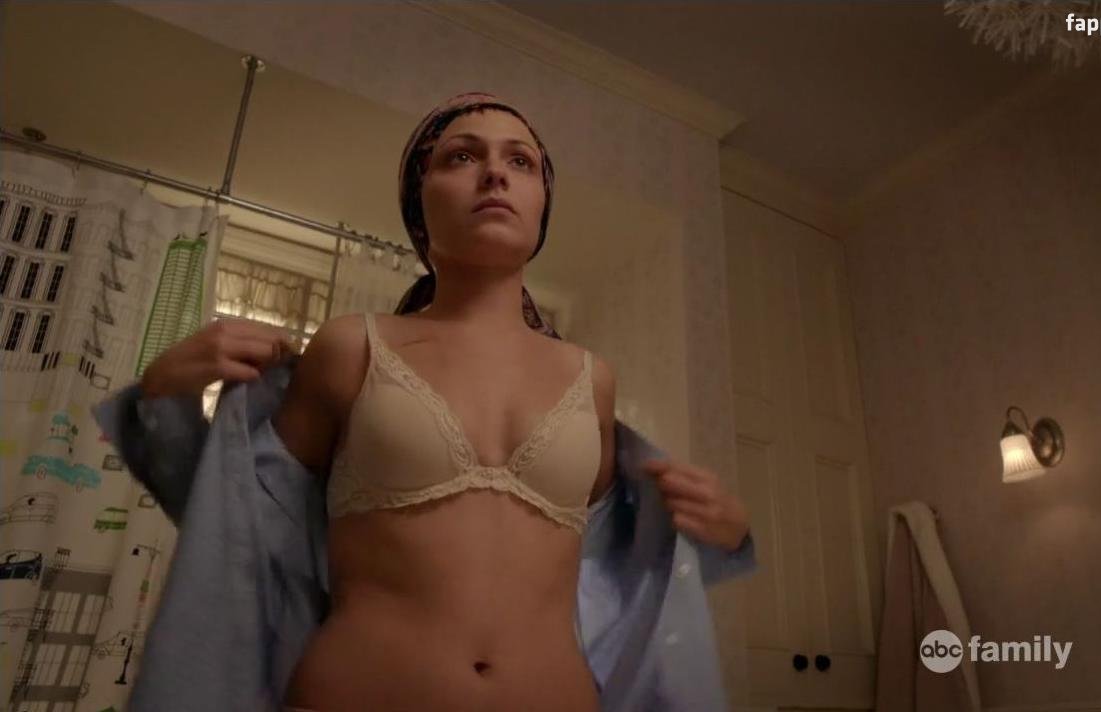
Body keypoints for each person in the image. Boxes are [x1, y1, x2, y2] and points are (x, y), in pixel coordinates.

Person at [135, 92, 751, 712]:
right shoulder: (353, 346)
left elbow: (619, 567)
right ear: (419, 203)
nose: (495, 173)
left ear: (542, 205)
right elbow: (239, 527)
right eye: (462, 156)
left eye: (521, 161)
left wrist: (716, 539)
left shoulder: (593, 379)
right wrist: (164, 402)